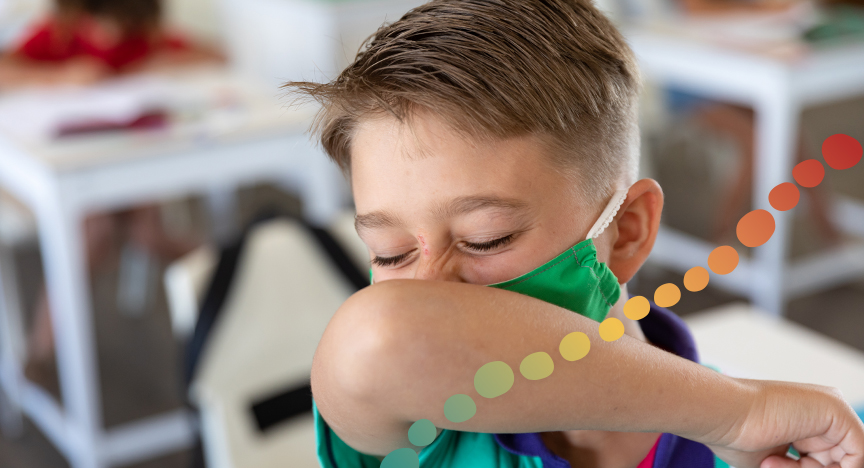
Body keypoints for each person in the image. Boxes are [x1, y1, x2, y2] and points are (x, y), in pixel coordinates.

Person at [283, 1, 864, 467]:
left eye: (487, 239)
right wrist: (734, 415)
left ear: (628, 232)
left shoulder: (758, 453)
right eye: (392, 253)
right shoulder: (419, 433)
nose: (428, 288)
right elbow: (383, 340)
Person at [0, 0, 212, 384]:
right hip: (70, 172)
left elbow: (213, 54)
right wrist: (58, 77)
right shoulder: (58, 35)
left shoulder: (142, 38)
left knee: (145, 233)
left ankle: (233, 264)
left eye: (122, 25)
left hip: (130, 172)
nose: (112, 36)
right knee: (95, 230)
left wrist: (157, 65)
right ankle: (43, 350)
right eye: (104, 25)